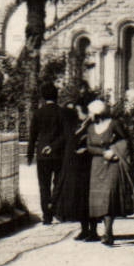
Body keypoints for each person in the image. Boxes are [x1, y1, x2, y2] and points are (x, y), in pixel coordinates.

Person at [82, 100, 134, 246]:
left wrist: (115, 152)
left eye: (90, 113)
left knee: (109, 197)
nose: (89, 115)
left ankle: (108, 232)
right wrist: (103, 152)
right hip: (97, 166)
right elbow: (89, 146)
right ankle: (102, 232)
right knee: (98, 198)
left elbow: (126, 141)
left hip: (113, 164)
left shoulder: (114, 124)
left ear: (97, 113)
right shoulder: (91, 128)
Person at [26, 83, 69, 224]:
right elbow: (66, 134)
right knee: (58, 183)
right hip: (59, 154)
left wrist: (30, 154)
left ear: (43, 97)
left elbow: (32, 136)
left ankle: (47, 216)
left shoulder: (38, 113)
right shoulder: (62, 112)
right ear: (56, 96)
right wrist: (54, 146)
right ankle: (56, 209)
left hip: (42, 155)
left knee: (43, 185)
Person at [56, 95, 97, 239]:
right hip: (78, 166)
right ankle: (84, 229)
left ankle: (93, 231)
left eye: (78, 111)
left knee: (88, 198)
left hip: (88, 165)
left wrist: (86, 149)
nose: (77, 114)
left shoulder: (92, 125)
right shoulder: (79, 125)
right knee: (80, 198)